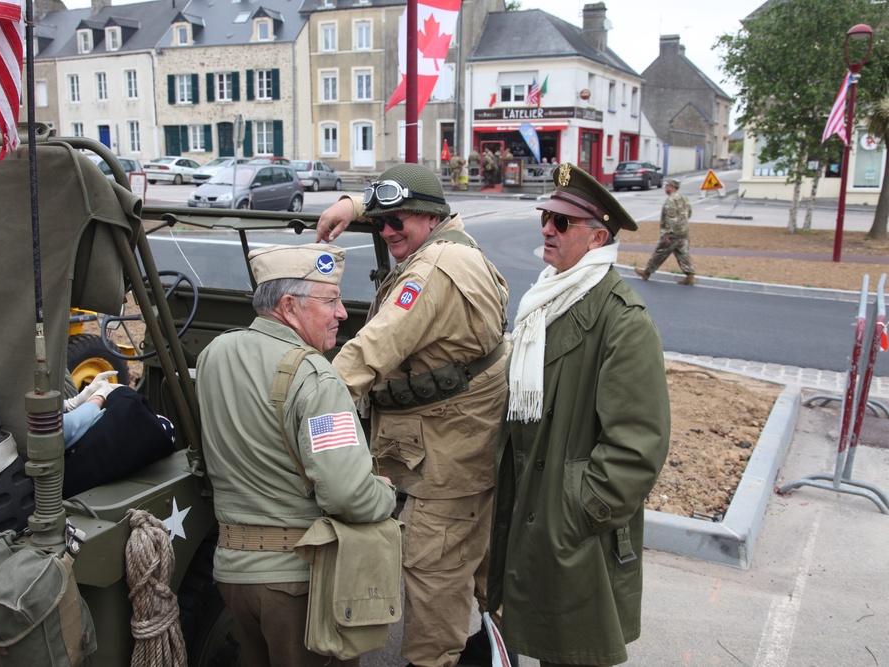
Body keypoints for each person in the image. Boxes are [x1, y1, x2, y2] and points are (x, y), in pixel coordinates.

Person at [315, 163, 511, 667]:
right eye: (379, 222)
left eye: (396, 222)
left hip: (445, 462)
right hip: (463, 444)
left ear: (428, 216)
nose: (386, 231)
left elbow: (371, 350)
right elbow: (405, 204)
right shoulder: (455, 242)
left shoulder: (432, 271)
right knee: (471, 562)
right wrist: (353, 206)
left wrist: (306, 403)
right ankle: (495, 639)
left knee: (434, 578)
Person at [487, 162, 671, 667]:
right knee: (535, 640)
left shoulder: (622, 319)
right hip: (530, 509)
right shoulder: (546, 299)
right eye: (546, 216)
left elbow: (637, 447)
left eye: (561, 222)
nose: (547, 227)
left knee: (571, 655)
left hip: (569, 526)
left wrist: (576, 511)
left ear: (596, 238)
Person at [196, 243, 396, 667]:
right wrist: (384, 494)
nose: (342, 313)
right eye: (331, 300)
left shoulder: (215, 354)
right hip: (296, 585)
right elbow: (346, 494)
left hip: (232, 575)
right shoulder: (316, 379)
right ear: (289, 306)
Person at [635, 177, 696, 285]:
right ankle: (690, 276)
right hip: (683, 231)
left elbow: (670, 218)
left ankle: (647, 272)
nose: (665, 188)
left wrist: (666, 234)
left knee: (660, 252)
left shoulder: (671, 200)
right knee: (682, 253)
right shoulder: (684, 198)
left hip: (673, 233)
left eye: (667, 186)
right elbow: (689, 213)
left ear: (672, 187)